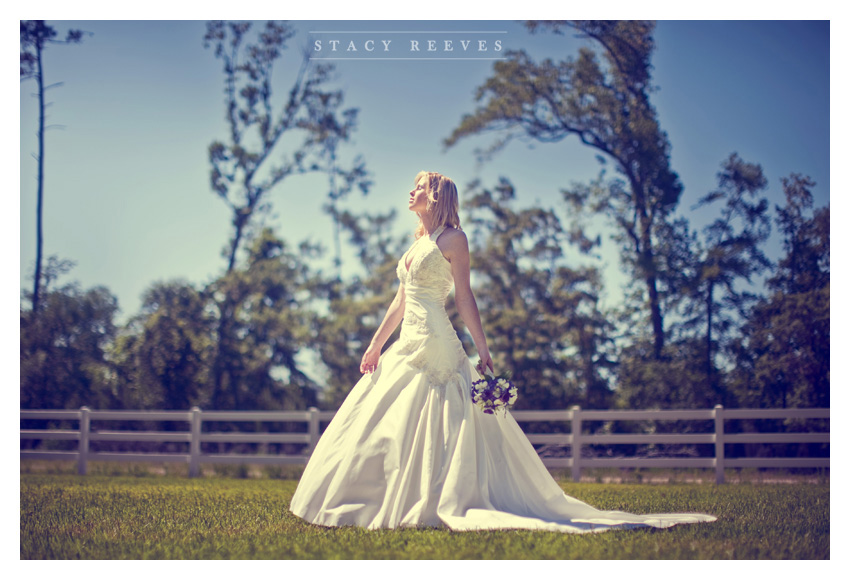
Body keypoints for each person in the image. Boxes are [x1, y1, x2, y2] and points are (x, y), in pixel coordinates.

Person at [289, 171, 716, 533]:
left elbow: (464, 298)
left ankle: (436, 499)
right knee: (387, 419)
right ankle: (384, 498)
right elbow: (400, 301)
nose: (412, 191)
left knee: (440, 418)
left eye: (419, 186)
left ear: (436, 195)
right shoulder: (415, 243)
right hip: (407, 341)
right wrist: (376, 344)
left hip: (437, 340)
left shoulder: (453, 239)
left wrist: (483, 349)